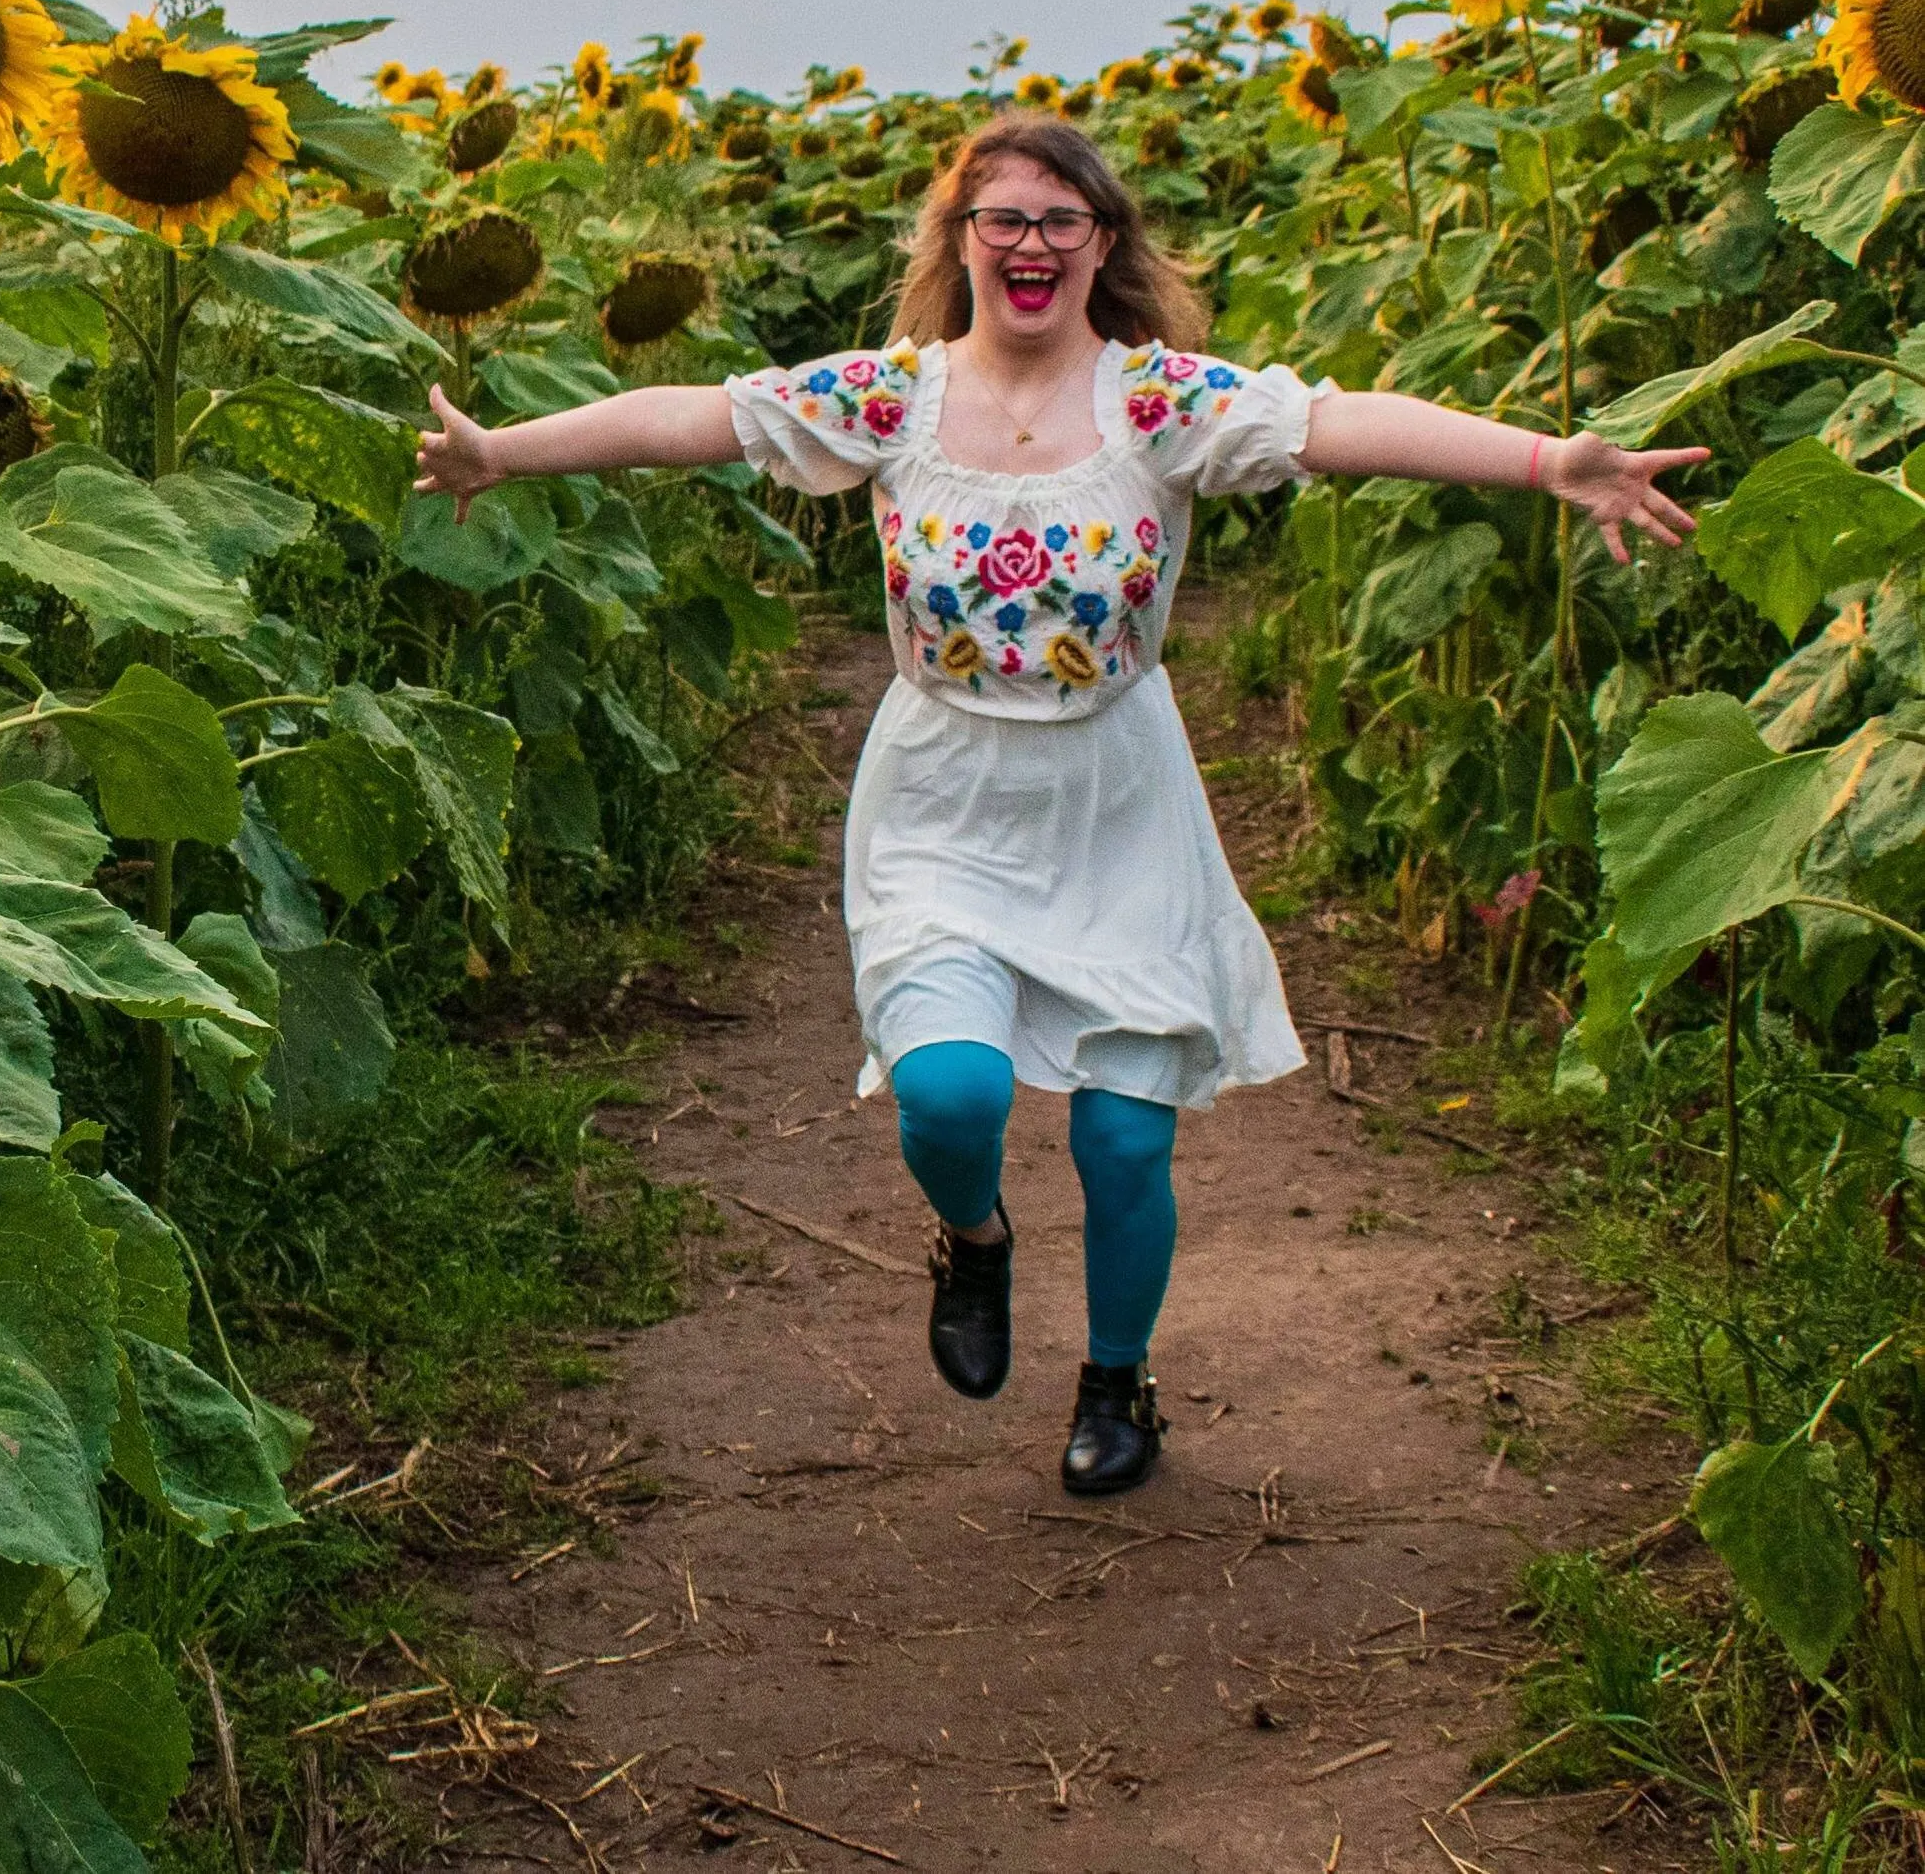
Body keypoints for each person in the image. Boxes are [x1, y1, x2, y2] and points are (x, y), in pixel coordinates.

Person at [414, 111, 1703, 1497]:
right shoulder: (892, 398)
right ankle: (973, 1239)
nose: (1029, 243)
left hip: (1115, 795)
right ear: (961, 242)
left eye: (1058, 221)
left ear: (1100, 245)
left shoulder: (1157, 403)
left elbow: (1338, 423)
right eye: (1002, 219)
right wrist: (505, 450)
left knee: (1121, 1133)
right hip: (942, 794)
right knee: (949, 1094)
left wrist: (1544, 460)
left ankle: (1114, 1379)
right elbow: (697, 416)